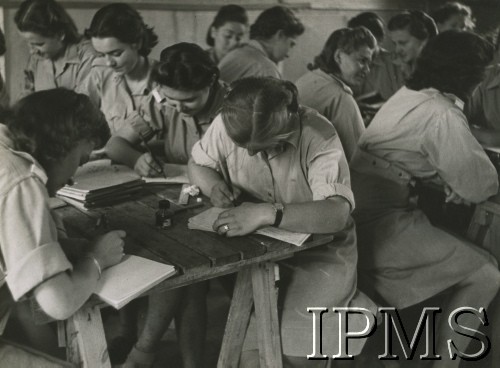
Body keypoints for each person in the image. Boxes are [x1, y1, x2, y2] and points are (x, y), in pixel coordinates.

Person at [188, 77, 377, 367]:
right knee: (252, 360)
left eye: (262, 146)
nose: (250, 154)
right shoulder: (230, 122)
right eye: (243, 146)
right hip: (260, 251)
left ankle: (351, 318)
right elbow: (198, 163)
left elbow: (337, 213)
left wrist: (267, 212)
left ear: (286, 124)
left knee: (297, 358)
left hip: (318, 253)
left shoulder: (318, 134)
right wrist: (213, 185)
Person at [350, 31, 500, 368]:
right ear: (468, 75)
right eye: (485, 71)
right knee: (488, 273)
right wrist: (457, 179)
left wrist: (441, 176)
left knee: (474, 259)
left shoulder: (411, 94)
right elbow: (481, 186)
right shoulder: (442, 112)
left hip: (362, 210)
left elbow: (409, 153)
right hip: (381, 219)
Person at [106, 43, 224, 368]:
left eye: (189, 100)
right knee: (183, 275)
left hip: (221, 207)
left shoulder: (234, 108)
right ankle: (179, 361)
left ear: (212, 82)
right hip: (177, 205)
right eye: (172, 100)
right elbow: (115, 144)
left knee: (186, 272)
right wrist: (137, 158)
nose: (180, 108)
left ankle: (144, 353)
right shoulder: (163, 102)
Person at [0, 89, 126, 363]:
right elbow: (60, 302)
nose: (71, 179)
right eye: (79, 161)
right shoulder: (22, 181)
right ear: (62, 145)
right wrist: (96, 259)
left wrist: (60, 247)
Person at [295, 27, 376, 160]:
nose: (367, 70)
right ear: (338, 56)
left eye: (369, 63)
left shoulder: (308, 78)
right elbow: (359, 159)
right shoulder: (341, 97)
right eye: (362, 61)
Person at [82, 3, 159, 134]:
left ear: (137, 43)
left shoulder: (164, 78)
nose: (108, 63)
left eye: (116, 54)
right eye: (101, 54)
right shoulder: (99, 75)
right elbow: (78, 119)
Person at [15, 0, 97, 97]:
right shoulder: (36, 57)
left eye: (39, 44)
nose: (32, 51)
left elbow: (85, 107)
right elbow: (26, 98)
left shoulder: (87, 56)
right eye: (29, 44)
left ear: (60, 35)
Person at [218, 6, 304, 83]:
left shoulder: (236, 53)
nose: (290, 53)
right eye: (291, 44)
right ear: (280, 35)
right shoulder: (266, 70)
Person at [348, 12, 406, 102]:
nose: (359, 47)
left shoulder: (396, 63)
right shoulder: (346, 62)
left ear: (380, 39)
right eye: (355, 42)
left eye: (366, 42)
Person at [387, 10, 437, 80]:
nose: (397, 50)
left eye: (403, 43)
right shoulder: (399, 68)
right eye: (395, 44)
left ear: (424, 40)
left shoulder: (439, 72)